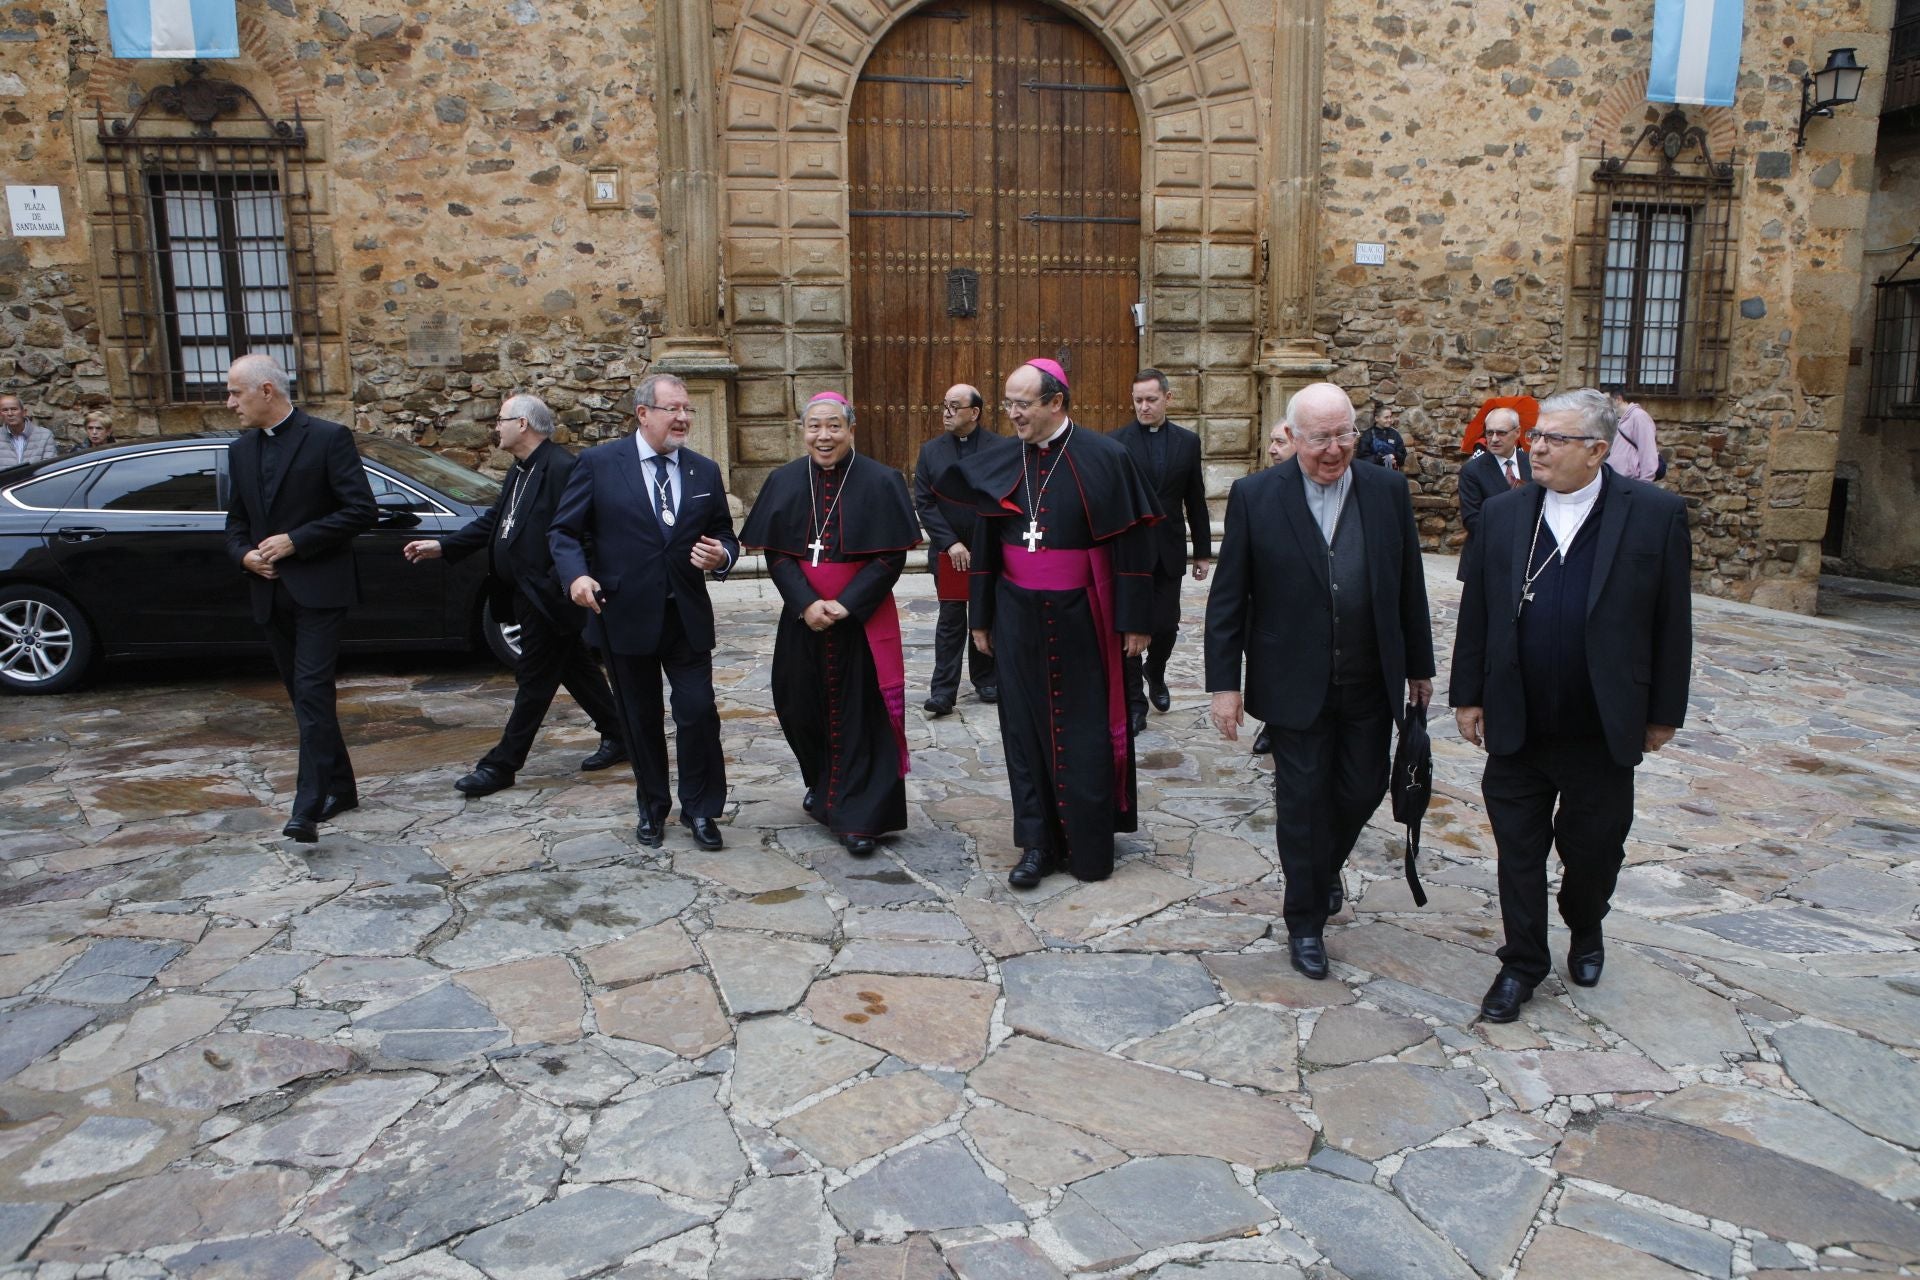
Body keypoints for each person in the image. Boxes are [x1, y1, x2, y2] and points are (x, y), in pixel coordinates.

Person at [1452, 388, 1691, 1022]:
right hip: (1518, 720)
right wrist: (1467, 695)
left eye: (1554, 439)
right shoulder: (1505, 514)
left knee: (1593, 854)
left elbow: (1673, 622)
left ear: (1598, 450)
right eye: (1537, 436)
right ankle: (1522, 962)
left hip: (1600, 726)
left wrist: (1664, 711)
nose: (1538, 447)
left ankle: (1586, 925)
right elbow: (1476, 610)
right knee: (1519, 852)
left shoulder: (1653, 516)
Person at [1206, 383, 1435, 979]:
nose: (1334, 450)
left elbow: (1409, 581)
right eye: (1320, 439)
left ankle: (1320, 866)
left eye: (1344, 435)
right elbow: (1229, 598)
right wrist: (1225, 685)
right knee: (1302, 806)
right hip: (1293, 681)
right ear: (1293, 438)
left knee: (1362, 789)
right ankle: (1304, 921)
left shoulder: (1387, 491)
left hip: (1368, 678)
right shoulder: (1256, 496)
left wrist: (1419, 666)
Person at [937, 358, 1161, 889]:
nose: (1011, 414)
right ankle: (1036, 843)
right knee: (1023, 728)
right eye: (1008, 403)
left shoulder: (1105, 457)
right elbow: (988, 540)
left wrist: (1135, 620)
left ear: (1055, 403)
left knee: (1084, 729)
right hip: (1016, 613)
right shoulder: (1001, 459)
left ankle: (1088, 843)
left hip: (1084, 614)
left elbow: (1133, 544)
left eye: (1022, 404)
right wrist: (982, 616)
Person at [549, 373, 739, 851]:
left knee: (698, 713)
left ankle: (700, 810)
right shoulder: (598, 464)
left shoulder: (703, 470)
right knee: (639, 717)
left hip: (685, 617)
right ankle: (652, 807)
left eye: (687, 409)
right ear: (642, 414)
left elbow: (725, 533)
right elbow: (564, 533)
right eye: (672, 409)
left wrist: (723, 557)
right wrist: (576, 576)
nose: (683, 418)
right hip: (622, 614)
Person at [403, 394, 626, 797]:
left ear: (523, 424)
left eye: (501, 420)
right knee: (574, 667)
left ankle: (502, 765)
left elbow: (581, 534)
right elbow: (496, 521)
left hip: (548, 597)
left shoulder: (562, 468)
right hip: (521, 593)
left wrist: (561, 582)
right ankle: (620, 733)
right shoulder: (519, 471)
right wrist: (445, 547)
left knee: (535, 680)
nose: (495, 428)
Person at [742, 392, 920, 855]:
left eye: (834, 426)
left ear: (851, 429)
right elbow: (779, 554)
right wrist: (805, 603)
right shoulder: (783, 480)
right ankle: (823, 785)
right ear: (802, 431)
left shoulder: (881, 481)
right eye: (814, 427)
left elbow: (890, 555)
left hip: (861, 619)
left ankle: (861, 816)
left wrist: (846, 603)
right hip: (803, 618)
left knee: (863, 714)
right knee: (798, 704)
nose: (824, 436)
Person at [222, 353, 377, 844]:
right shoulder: (240, 450)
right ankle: (343, 788)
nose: (230, 404)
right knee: (304, 697)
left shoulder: (329, 438)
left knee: (312, 693)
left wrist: (297, 540)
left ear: (266, 391)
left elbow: (361, 510)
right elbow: (235, 524)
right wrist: (245, 554)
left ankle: (305, 807)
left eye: (235, 393)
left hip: (320, 590)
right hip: (269, 593)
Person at [1111, 369, 1211, 733]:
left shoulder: (1187, 442)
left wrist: (1202, 551)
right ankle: (1135, 702)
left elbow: (1195, 499)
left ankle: (1157, 671)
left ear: (1167, 398)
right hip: (1129, 550)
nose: (1143, 406)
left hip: (1168, 547)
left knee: (1165, 625)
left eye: (1151, 399)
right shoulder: (1117, 442)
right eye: (1138, 400)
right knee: (1129, 626)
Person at [912, 384, 1002, 716]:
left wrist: (982, 542)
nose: (947, 413)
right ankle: (943, 691)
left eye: (954, 406)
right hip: (947, 552)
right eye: (944, 406)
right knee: (951, 618)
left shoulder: (1000, 448)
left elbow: (1000, 497)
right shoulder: (931, 451)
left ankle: (986, 678)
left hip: (987, 547)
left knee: (986, 613)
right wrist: (951, 542)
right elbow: (924, 502)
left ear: (974, 412)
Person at [1247, 420, 1298, 757]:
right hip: (1266, 604)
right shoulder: (1254, 491)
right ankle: (1272, 722)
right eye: (1271, 441)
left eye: (1279, 442)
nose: (1272, 449)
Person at [1456, 405, 1531, 581]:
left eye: (1501, 433)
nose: (1494, 439)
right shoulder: (1472, 471)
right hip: (1487, 558)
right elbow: (1472, 519)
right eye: (1489, 433)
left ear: (1517, 432)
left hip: (1526, 557)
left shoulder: (1532, 464)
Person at [1604, 389, 1661, 481]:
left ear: (1618, 399)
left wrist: (1645, 482)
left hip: (1632, 480)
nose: (1604, 405)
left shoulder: (1639, 417)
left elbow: (1647, 450)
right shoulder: (1615, 420)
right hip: (1617, 479)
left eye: (1606, 401)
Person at [1, 395, 59, 466]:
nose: (10, 414)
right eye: (5, 410)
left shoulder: (44, 436)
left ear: (24, 412)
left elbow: (49, 466)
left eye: (14, 409)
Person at [1354, 404, 1406, 470]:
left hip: (1392, 474)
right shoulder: (1368, 435)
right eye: (1386, 417)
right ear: (1377, 418)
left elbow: (1402, 455)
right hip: (1374, 474)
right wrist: (1382, 459)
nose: (1389, 420)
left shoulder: (1395, 434)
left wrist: (1394, 456)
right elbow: (1362, 459)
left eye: (1390, 417)